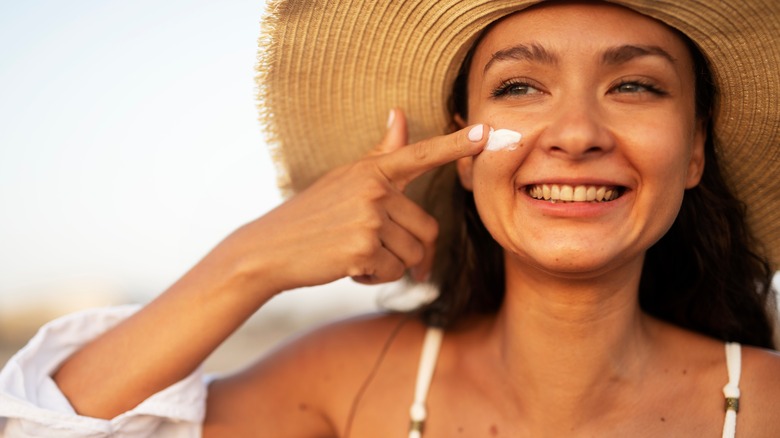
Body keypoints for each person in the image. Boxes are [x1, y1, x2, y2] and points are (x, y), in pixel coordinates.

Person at [1, 0, 779, 436]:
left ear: (696, 151)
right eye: (518, 88)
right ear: (462, 152)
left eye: (636, 87)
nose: (576, 134)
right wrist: (249, 262)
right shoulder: (344, 382)